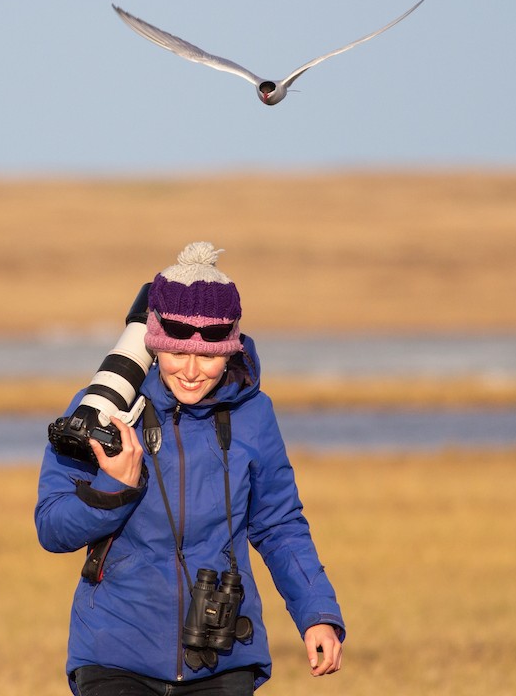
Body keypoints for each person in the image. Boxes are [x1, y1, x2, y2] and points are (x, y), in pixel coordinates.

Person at [35, 241, 344, 695]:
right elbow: (51, 527)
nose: (193, 371)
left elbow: (279, 526)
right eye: (178, 353)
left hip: (223, 656)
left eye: (210, 356)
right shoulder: (101, 411)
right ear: (154, 345)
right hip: (113, 655)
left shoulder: (254, 415)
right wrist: (112, 488)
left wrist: (317, 613)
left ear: (232, 349)